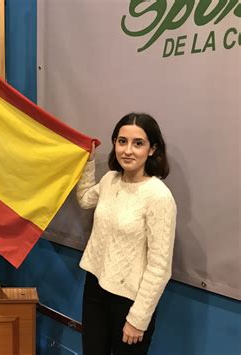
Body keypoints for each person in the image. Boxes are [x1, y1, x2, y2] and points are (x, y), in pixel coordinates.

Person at [77, 113, 177, 355]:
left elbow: (159, 267)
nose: (128, 150)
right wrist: (88, 163)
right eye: (122, 141)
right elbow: (85, 200)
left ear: (152, 149)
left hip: (129, 300)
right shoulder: (110, 179)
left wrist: (138, 319)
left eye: (138, 143)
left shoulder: (159, 197)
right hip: (95, 287)